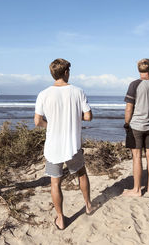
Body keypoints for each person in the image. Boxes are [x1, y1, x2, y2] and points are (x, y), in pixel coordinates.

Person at [34, 58, 94, 230]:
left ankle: (60, 219)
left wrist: (50, 125)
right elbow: (88, 116)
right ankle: (88, 205)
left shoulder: (43, 94)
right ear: (66, 72)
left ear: (53, 74)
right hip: (72, 144)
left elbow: (37, 121)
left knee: (55, 183)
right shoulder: (78, 91)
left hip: (53, 146)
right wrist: (75, 118)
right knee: (81, 174)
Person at [123, 58, 149, 197]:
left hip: (136, 126)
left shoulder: (134, 85)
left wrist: (127, 123)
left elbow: (129, 108)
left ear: (138, 69)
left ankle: (136, 190)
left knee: (136, 157)